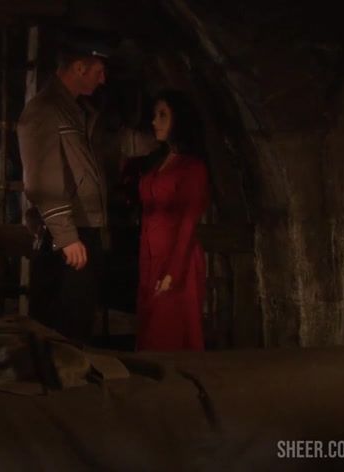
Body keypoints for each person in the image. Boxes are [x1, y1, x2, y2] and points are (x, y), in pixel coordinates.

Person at [17, 33, 110, 344]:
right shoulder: (45, 110)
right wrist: (66, 236)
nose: (103, 79)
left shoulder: (75, 110)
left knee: (77, 324)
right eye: (99, 71)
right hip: (68, 236)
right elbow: (42, 179)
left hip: (81, 231)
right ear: (80, 68)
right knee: (63, 329)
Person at [125, 89, 209, 351]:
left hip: (176, 260)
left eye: (162, 115)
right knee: (150, 331)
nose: (155, 121)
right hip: (151, 258)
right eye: (155, 115)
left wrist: (173, 271)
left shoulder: (192, 168)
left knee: (168, 332)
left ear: (178, 120)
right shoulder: (159, 162)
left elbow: (188, 222)